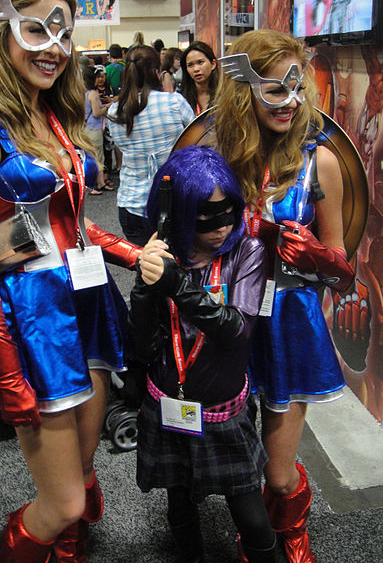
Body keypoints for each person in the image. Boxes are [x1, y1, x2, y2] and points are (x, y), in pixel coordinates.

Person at [0, 0, 141, 563]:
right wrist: (3, 364)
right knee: (61, 505)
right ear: (3, 33)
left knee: (83, 474)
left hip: (88, 301)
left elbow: (69, 225)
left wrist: (134, 253)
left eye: (62, 33)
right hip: (32, 318)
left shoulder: (57, 118)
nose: (53, 48)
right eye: (36, 31)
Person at [214, 29, 355, 563]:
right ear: (244, 90)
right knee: (231, 452)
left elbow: (343, 268)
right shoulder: (220, 158)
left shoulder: (321, 163)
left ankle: (292, 541)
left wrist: (315, 256)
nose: (291, 102)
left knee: (277, 470)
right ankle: (259, 539)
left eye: (298, 89)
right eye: (276, 89)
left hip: (290, 318)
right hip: (228, 315)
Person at [128, 145, 279, 563]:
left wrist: (177, 284)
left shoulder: (246, 253)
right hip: (168, 403)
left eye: (228, 212)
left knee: (251, 516)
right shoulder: (166, 254)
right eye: (206, 216)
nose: (221, 226)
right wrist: (145, 286)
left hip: (223, 410)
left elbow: (236, 330)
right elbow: (142, 344)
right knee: (179, 501)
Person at [108, 45, 194, 247]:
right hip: (171, 204)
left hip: (131, 205)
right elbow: (197, 143)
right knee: (175, 269)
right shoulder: (173, 102)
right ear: (157, 72)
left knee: (145, 268)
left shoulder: (115, 111)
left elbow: (120, 146)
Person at [83, 66, 114, 194]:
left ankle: (100, 183)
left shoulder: (84, 93)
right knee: (97, 157)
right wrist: (107, 106)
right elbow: (97, 112)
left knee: (92, 157)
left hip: (86, 128)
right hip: (94, 129)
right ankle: (95, 186)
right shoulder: (93, 94)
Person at [180, 41, 218, 115]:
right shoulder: (182, 99)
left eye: (200, 62)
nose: (196, 69)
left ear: (213, 64)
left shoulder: (225, 95)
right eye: (190, 65)